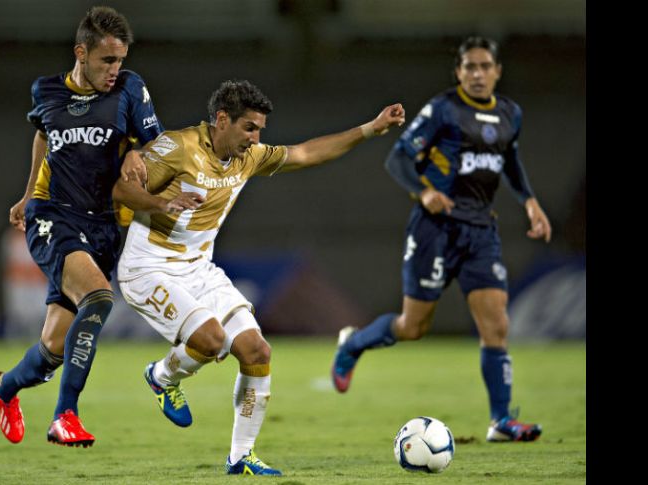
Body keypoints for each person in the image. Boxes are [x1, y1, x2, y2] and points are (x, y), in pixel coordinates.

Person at [111, 79, 405, 475]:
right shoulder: (177, 147)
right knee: (211, 339)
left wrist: (369, 129)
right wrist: (164, 201)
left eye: (260, 130)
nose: (256, 137)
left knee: (257, 352)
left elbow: (304, 153)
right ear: (221, 120)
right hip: (149, 268)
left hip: (199, 269)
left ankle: (240, 457)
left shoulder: (247, 158)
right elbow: (121, 191)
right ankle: (162, 377)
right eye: (249, 128)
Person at [0, 6, 200, 448]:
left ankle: (5, 387)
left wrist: (136, 152)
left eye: (120, 60)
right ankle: (65, 415)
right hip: (54, 216)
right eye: (106, 60)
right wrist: (28, 195)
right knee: (100, 298)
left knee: (53, 351)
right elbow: (43, 134)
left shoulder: (129, 89)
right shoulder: (45, 90)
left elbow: (155, 144)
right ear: (80, 52)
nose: (114, 70)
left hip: (103, 226)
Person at [330, 36, 552, 443]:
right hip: (436, 230)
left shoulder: (509, 114)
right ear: (459, 72)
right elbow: (397, 158)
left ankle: (501, 421)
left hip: (481, 231)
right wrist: (424, 191)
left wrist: (530, 202)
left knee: (497, 326)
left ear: (497, 71)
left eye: (485, 66)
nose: (478, 74)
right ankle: (353, 345)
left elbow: (511, 160)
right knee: (413, 327)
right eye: (470, 67)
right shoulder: (443, 110)